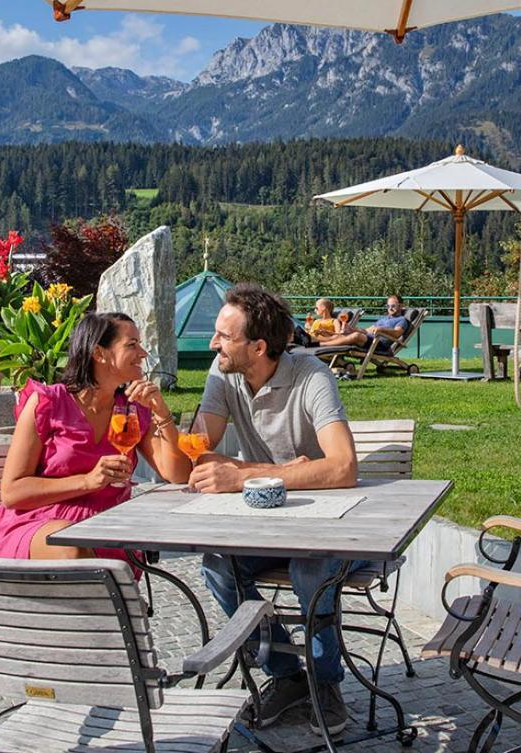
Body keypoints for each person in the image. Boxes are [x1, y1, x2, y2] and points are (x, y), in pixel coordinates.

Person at [191, 283, 359, 737]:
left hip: (339, 527)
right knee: (218, 567)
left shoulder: (311, 376)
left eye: (224, 336)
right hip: (269, 525)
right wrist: (158, 419)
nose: (213, 343)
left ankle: (326, 684)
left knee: (309, 570)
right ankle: (286, 675)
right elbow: (200, 450)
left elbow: (343, 466)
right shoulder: (223, 374)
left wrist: (245, 473)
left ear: (259, 347)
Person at [0, 312, 189, 564]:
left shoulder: (132, 409)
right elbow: (12, 492)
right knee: (73, 548)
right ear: (99, 353)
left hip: (104, 528)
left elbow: (178, 474)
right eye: (132, 345)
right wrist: (87, 481)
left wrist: (162, 413)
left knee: (90, 556)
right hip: (40, 524)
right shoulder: (48, 403)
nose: (143, 353)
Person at [317, 293, 410, 354]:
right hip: (369, 340)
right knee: (345, 333)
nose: (390, 308)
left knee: (356, 336)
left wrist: (381, 329)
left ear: (401, 306)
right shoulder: (383, 319)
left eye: (393, 306)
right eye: (388, 306)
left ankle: (324, 346)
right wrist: (351, 329)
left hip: (379, 344)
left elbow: (397, 333)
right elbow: (366, 331)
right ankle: (318, 343)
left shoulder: (402, 320)